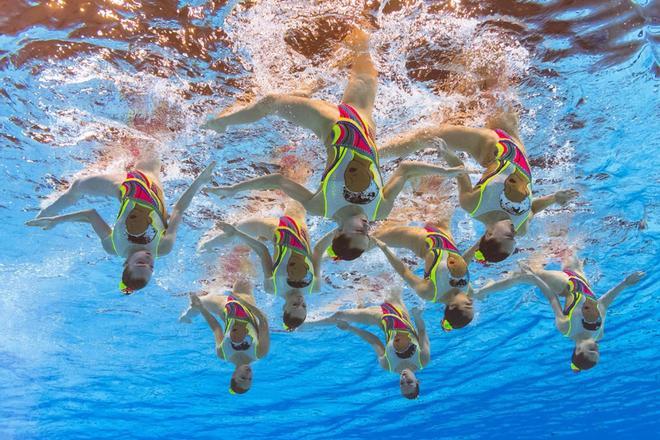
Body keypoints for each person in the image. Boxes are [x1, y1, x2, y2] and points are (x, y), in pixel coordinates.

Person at [202, 29, 467, 261]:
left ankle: (224, 123)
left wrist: (234, 189)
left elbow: (279, 182)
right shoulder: (379, 209)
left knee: (272, 101)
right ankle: (360, 17)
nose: (366, 226)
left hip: (330, 124)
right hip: (363, 123)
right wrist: (445, 172)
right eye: (368, 232)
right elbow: (407, 169)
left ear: (339, 231)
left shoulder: (322, 207)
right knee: (362, 49)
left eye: (359, 231)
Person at [377, 109, 578, 263]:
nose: (513, 232)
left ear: (489, 234)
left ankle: (375, 153)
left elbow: (460, 170)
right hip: (516, 143)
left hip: (488, 145)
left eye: (508, 235)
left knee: (425, 137)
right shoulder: (520, 227)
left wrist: (447, 153)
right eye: (513, 237)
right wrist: (554, 199)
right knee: (499, 84)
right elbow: (531, 208)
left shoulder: (474, 205)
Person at [26, 150, 215, 294]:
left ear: (126, 264)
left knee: (78, 186)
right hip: (151, 183)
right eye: (151, 267)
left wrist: (57, 220)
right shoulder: (163, 248)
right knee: (151, 144)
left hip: (125, 187)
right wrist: (199, 182)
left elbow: (91, 215)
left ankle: (46, 210)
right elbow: (179, 210)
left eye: (141, 263)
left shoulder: (114, 246)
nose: (149, 260)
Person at [474, 256, 645, 372]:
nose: (597, 350)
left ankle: (483, 290)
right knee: (567, 245)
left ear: (578, 351)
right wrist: (625, 283)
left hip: (566, 285)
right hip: (582, 279)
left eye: (592, 352)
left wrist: (534, 278)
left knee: (529, 273)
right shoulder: (599, 333)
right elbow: (603, 304)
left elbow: (551, 298)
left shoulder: (567, 327)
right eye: (598, 354)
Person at [197, 201, 321, 330]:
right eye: (304, 306)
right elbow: (318, 251)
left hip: (275, 229)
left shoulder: (273, 287)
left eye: (295, 305)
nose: (301, 301)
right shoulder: (314, 287)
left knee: (237, 227)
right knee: (295, 196)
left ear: (285, 307)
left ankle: (208, 244)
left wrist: (236, 233)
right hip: (299, 226)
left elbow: (263, 252)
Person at [309, 289, 430, 399]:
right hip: (400, 311)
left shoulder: (388, 365)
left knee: (340, 315)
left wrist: (350, 328)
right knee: (388, 283)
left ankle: (308, 322)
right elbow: (422, 331)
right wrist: (417, 316)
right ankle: (361, 300)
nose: (404, 378)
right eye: (409, 382)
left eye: (401, 383)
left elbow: (374, 341)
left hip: (381, 318)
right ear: (417, 381)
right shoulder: (422, 359)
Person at [369, 213, 474, 331]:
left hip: (419, 240)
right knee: (440, 197)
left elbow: (404, 272)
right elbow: (465, 260)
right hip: (445, 234)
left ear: (452, 306)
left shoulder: (430, 292)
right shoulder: (466, 290)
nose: (470, 300)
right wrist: (479, 244)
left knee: (372, 237)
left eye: (468, 304)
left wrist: (385, 249)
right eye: (472, 303)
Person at [183, 279, 270, 394]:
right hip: (247, 307)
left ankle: (187, 316)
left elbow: (216, 328)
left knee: (201, 300)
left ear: (234, 375)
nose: (248, 374)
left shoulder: (223, 353)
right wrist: (244, 303)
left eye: (243, 378)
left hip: (225, 310)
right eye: (250, 379)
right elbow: (264, 322)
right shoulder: (260, 352)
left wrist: (201, 308)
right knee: (243, 278)